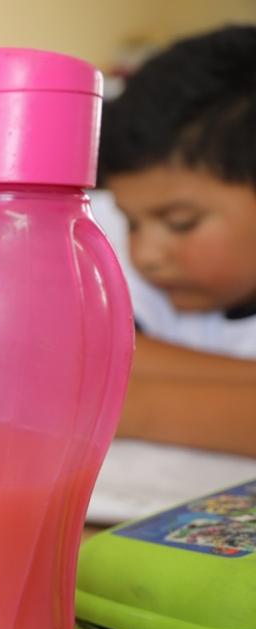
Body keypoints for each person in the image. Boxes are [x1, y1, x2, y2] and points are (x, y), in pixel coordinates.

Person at [98, 24, 256, 456]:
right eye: (132, 224)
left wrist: (126, 406)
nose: (146, 255)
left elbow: (101, 381)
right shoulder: (146, 281)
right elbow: (82, 353)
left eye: (181, 223)